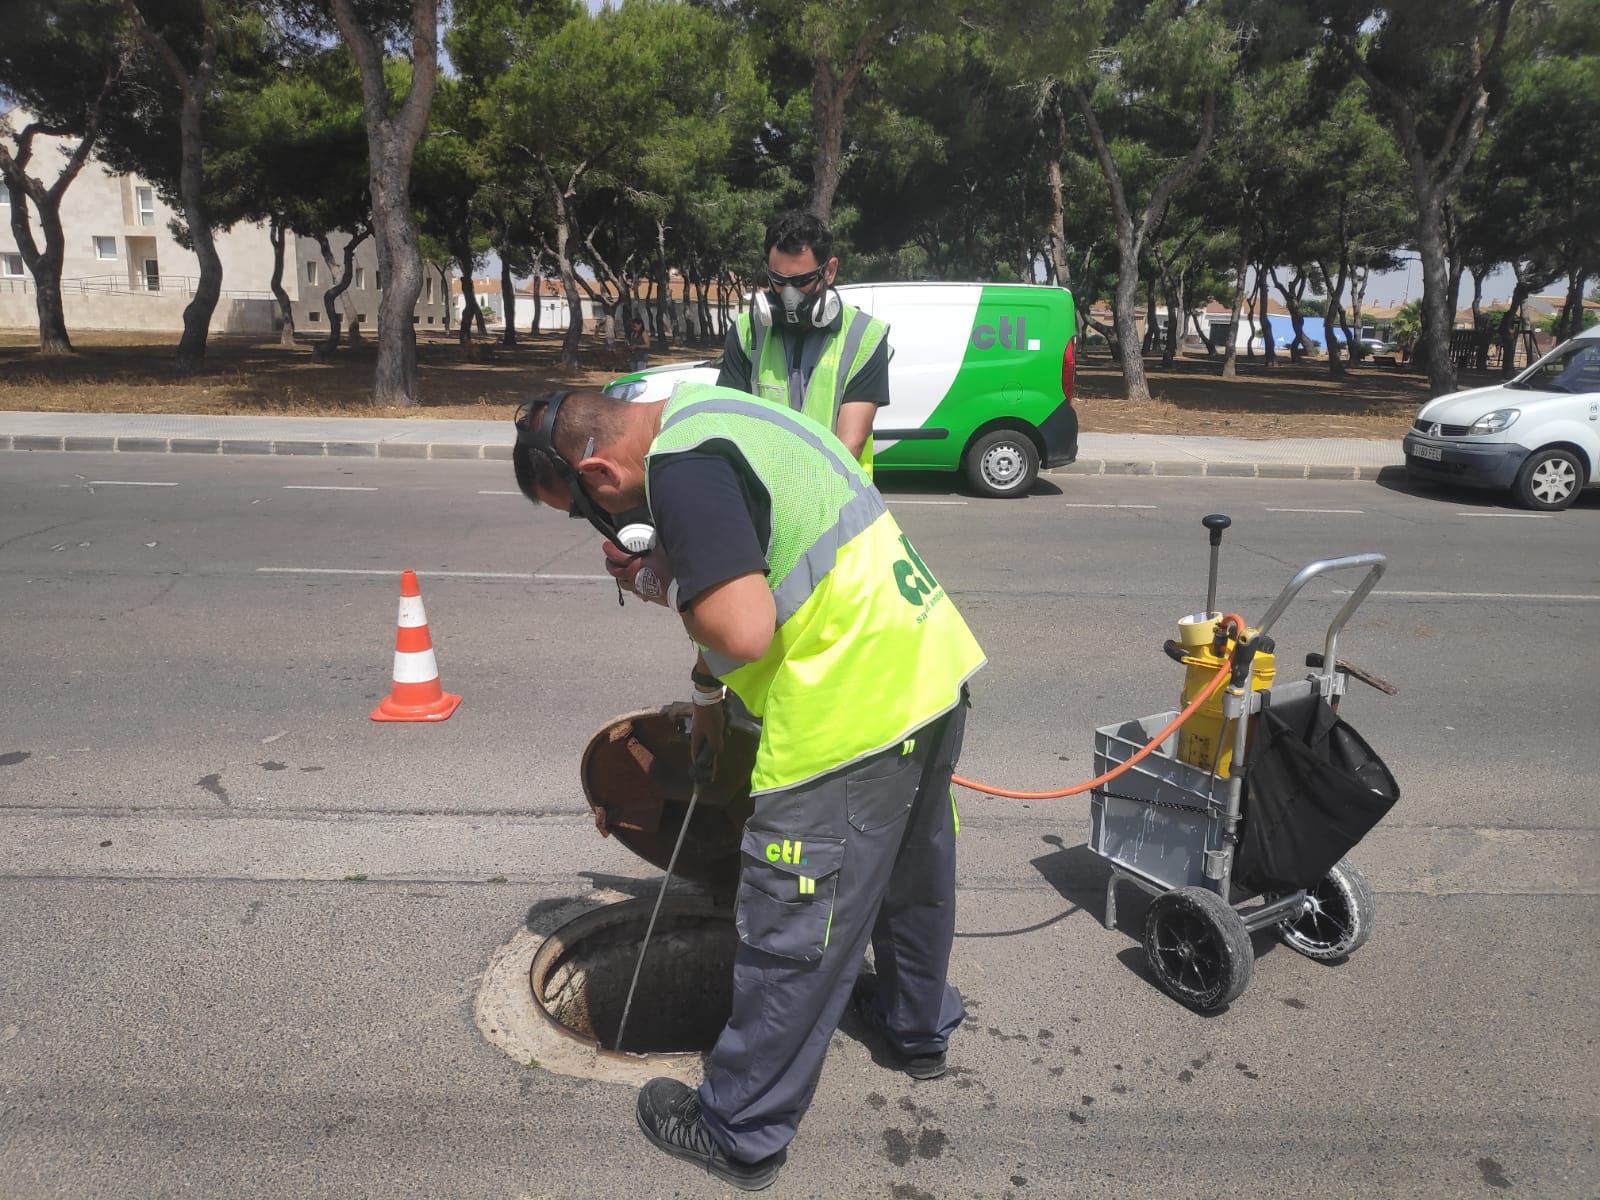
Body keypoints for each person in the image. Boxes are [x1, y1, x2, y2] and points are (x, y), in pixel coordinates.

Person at [512, 384, 985, 1192]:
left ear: (596, 467)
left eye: (582, 508)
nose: (596, 522)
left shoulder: (682, 470)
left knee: (792, 923)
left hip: (847, 715)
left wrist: (664, 582)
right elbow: (765, 564)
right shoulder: (713, 410)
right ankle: (915, 1029)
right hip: (929, 669)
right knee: (911, 876)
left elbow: (741, 624)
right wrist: (705, 696)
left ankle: (740, 1130)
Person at [717, 210, 890, 474]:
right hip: (762, 503)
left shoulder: (864, 337)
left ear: (829, 271)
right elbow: (729, 426)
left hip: (837, 505)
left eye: (801, 281)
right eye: (778, 280)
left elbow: (849, 447)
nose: (788, 294)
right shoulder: (747, 332)